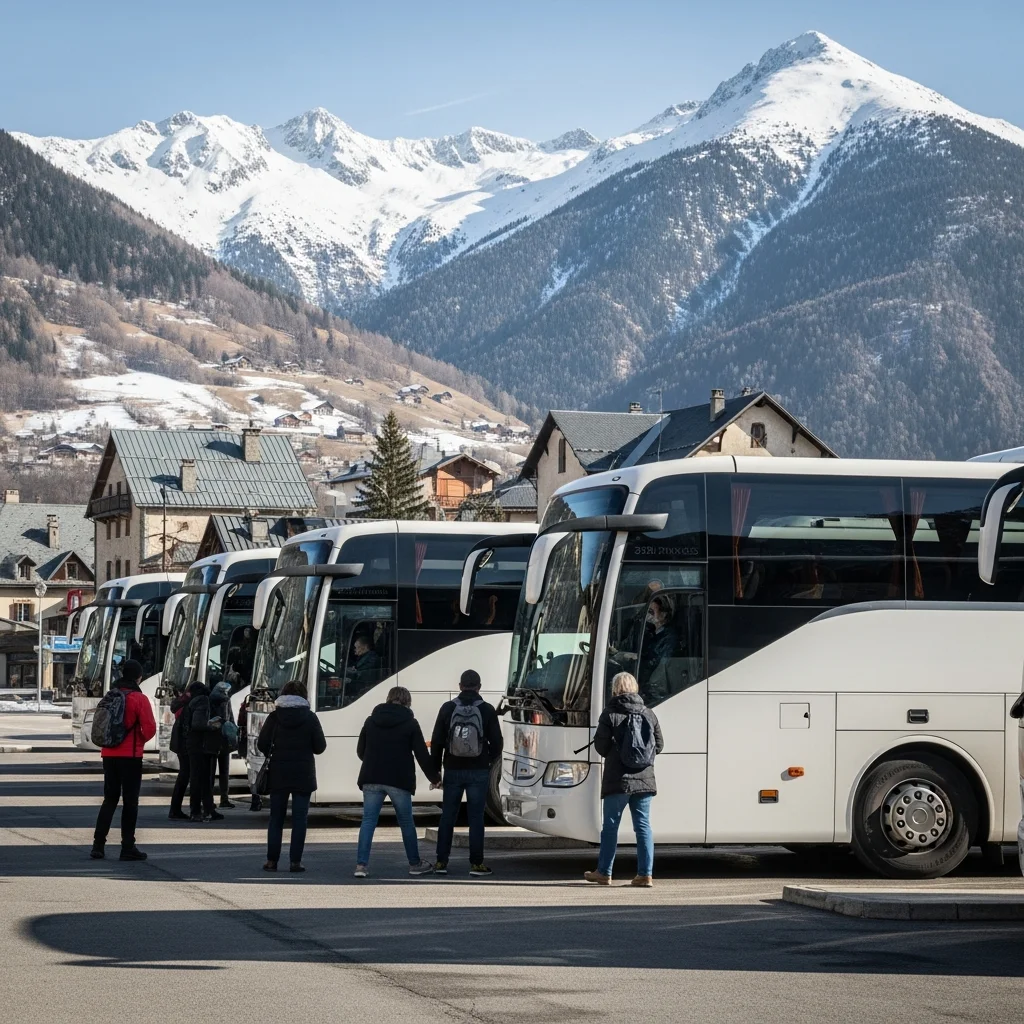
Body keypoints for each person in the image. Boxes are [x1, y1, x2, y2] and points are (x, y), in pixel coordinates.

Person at [584, 672, 663, 888]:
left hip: (617, 779)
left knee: (610, 826)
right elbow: (660, 745)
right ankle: (645, 874)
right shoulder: (649, 713)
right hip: (644, 779)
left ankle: (604, 872)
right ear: (635, 688)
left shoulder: (609, 714)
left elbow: (601, 747)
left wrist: (615, 749)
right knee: (643, 826)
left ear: (615, 689)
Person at [354, 685, 440, 878]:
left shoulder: (370, 721)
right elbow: (421, 755)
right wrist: (435, 778)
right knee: (406, 822)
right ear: (407, 702)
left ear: (388, 699)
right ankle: (414, 864)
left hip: (372, 777)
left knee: (368, 821)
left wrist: (374, 762)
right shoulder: (410, 723)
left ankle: (361, 866)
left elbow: (361, 751)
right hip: (399, 779)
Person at [430, 669, 502, 877]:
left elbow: (437, 741)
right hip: (478, 771)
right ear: (479, 687)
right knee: (476, 818)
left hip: (452, 769)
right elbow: (497, 743)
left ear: (460, 686)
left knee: (448, 817)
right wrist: (486, 760)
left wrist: (436, 773)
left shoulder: (448, 708)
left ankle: (441, 862)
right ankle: (476, 864)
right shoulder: (487, 710)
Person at [256, 680, 326, 872]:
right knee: (300, 819)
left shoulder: (274, 717)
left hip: (278, 773)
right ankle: (295, 861)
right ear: (304, 696)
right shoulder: (310, 717)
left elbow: (262, 743)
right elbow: (320, 747)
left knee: (276, 818)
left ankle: (272, 861)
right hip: (303, 774)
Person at [90, 660, 156, 861]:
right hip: (131, 757)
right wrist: (138, 741)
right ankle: (127, 846)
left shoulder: (110, 696)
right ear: (138, 677)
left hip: (108, 755)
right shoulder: (139, 698)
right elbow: (150, 729)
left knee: (109, 799)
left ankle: (98, 845)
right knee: (130, 802)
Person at [181, 681, 224, 823]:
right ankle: (197, 811)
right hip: (200, 745)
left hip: (194, 743)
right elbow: (198, 724)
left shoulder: (193, 701)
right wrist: (212, 725)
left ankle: (208, 808)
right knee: (199, 778)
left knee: (203, 778)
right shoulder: (203, 701)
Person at [167, 687, 193, 820]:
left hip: (179, 745)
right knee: (184, 777)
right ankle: (176, 809)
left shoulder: (180, 704)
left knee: (183, 776)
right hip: (185, 746)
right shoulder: (188, 706)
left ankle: (175, 809)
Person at [209, 680, 235, 808]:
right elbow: (230, 719)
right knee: (224, 771)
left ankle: (210, 799)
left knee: (211, 771)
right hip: (224, 740)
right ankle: (224, 799)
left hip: (213, 739)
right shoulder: (226, 700)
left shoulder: (210, 699)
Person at [237, 693, 262, 811]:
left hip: (250, 742)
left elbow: (240, 723)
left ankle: (255, 800)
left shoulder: (246, 707)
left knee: (253, 771)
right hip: (259, 743)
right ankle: (257, 798)